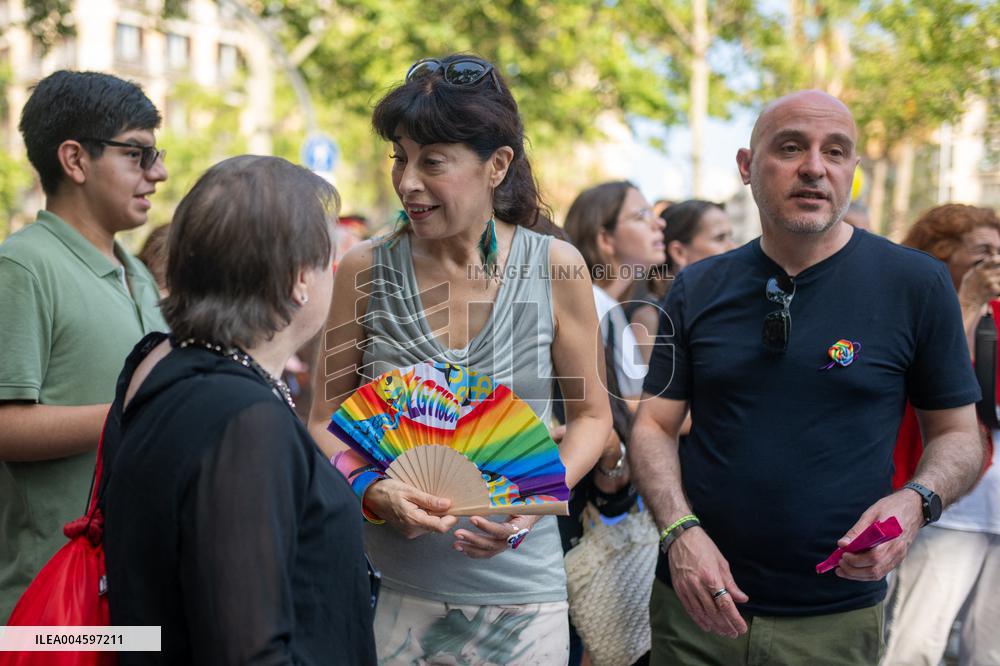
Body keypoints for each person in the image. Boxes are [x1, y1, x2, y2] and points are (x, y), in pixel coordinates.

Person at [629, 90, 984, 665]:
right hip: (696, 604)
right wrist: (678, 532)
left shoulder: (916, 284)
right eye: (790, 147)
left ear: (853, 172)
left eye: (835, 152)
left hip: (835, 617)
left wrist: (917, 501)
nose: (814, 167)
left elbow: (960, 436)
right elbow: (654, 425)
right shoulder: (698, 286)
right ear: (747, 166)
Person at [308, 53, 611, 664]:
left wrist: (527, 505)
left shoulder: (555, 268)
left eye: (432, 162)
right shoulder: (366, 269)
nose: (408, 181)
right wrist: (372, 490)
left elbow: (591, 419)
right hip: (382, 590)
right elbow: (321, 416)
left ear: (497, 165)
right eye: (400, 156)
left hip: (523, 604)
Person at [103, 155, 377, 664]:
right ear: (299, 279)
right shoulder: (245, 421)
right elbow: (247, 648)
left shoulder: (158, 364)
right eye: (328, 261)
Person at [0, 70, 167, 620]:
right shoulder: (22, 266)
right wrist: (137, 413)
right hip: (45, 606)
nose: (158, 174)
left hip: (126, 589)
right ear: (75, 160)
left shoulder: (137, 271)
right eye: (138, 155)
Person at [883, 204, 1000, 666]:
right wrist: (967, 304)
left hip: (996, 504)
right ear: (941, 253)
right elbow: (940, 387)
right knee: (915, 646)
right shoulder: (915, 309)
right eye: (982, 251)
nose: (994, 262)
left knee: (990, 652)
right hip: (950, 508)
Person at [628, 199, 735, 362]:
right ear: (679, 252)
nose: (733, 247)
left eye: (730, 237)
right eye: (720, 238)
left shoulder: (733, 306)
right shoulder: (650, 318)